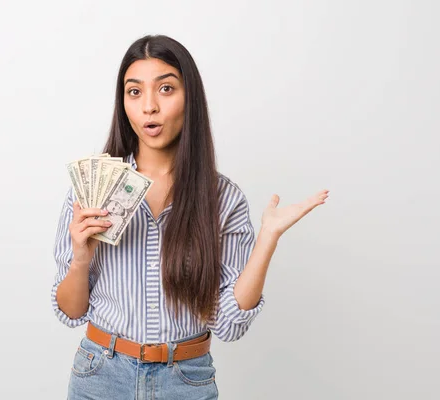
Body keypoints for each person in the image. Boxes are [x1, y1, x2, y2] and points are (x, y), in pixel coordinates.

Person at [51, 34, 329, 399]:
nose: (149, 106)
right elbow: (71, 312)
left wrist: (268, 239)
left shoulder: (222, 198)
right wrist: (81, 256)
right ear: (123, 104)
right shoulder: (92, 191)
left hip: (184, 381)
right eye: (135, 92)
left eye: (165, 89)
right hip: (100, 375)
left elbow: (229, 324)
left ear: (189, 98)